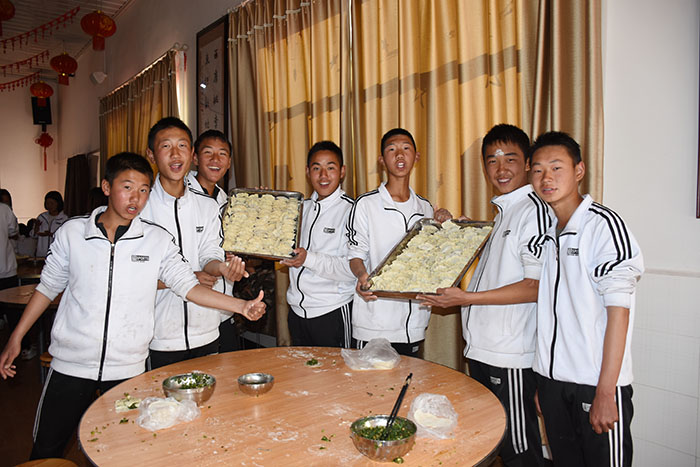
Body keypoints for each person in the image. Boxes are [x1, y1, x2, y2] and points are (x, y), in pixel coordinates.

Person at [0, 152, 265, 460]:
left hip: (128, 370)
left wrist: (241, 306)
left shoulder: (156, 240)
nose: (135, 198)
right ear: (106, 187)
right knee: (46, 452)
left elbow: (190, 287)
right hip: (71, 365)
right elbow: (47, 289)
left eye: (143, 190)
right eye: (127, 187)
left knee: (126, 455)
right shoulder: (73, 233)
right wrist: (16, 337)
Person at [419, 124, 548, 466]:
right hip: (485, 350)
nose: (501, 169)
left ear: (527, 163)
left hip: (510, 356)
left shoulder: (533, 212)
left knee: (520, 451)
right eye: (492, 160)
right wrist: (461, 232)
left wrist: (465, 299)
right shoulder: (504, 213)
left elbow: (534, 287)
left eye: (510, 159)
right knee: (495, 441)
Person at [528, 131, 643, 467]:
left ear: (579, 170)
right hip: (554, 385)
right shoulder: (549, 232)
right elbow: (552, 314)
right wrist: (545, 381)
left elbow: (619, 313)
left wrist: (606, 393)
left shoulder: (603, 226)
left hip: (595, 386)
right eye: (538, 170)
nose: (546, 178)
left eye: (556, 168)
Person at [140, 117, 247, 369]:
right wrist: (188, 279)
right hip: (158, 335)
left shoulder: (207, 206)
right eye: (166, 146)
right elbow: (132, 274)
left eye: (182, 146)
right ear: (151, 155)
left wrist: (222, 268)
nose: (175, 154)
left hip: (206, 330)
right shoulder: (141, 208)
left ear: (190, 154)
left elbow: (209, 253)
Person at [347, 128, 451, 357]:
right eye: (392, 149)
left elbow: (430, 260)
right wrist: (362, 276)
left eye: (406, 148)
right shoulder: (366, 204)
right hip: (374, 322)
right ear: (382, 160)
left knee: (410, 378)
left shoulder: (425, 207)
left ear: (417, 156)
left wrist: (446, 228)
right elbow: (355, 254)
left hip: (414, 325)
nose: (400, 155)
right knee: (371, 380)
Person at [281, 141, 356, 347]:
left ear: (342, 171)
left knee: (337, 369)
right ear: (307, 172)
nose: (323, 175)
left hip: (332, 312)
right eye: (316, 168)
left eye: (330, 168)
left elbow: (352, 268)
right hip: (296, 312)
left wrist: (308, 259)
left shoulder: (352, 211)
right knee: (301, 368)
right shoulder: (299, 208)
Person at [186, 129, 240, 352]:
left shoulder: (227, 201)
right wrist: (191, 276)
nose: (215, 160)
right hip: (188, 314)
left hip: (224, 310)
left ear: (229, 163)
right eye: (208, 153)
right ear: (195, 158)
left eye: (222, 154)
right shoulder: (181, 197)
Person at [34, 191, 68, 257]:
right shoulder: (41, 217)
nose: (49, 206)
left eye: (52, 203)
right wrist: (36, 227)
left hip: (57, 255)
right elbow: (34, 235)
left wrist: (51, 234)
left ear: (58, 203)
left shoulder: (64, 218)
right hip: (41, 254)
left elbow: (65, 237)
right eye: (47, 203)